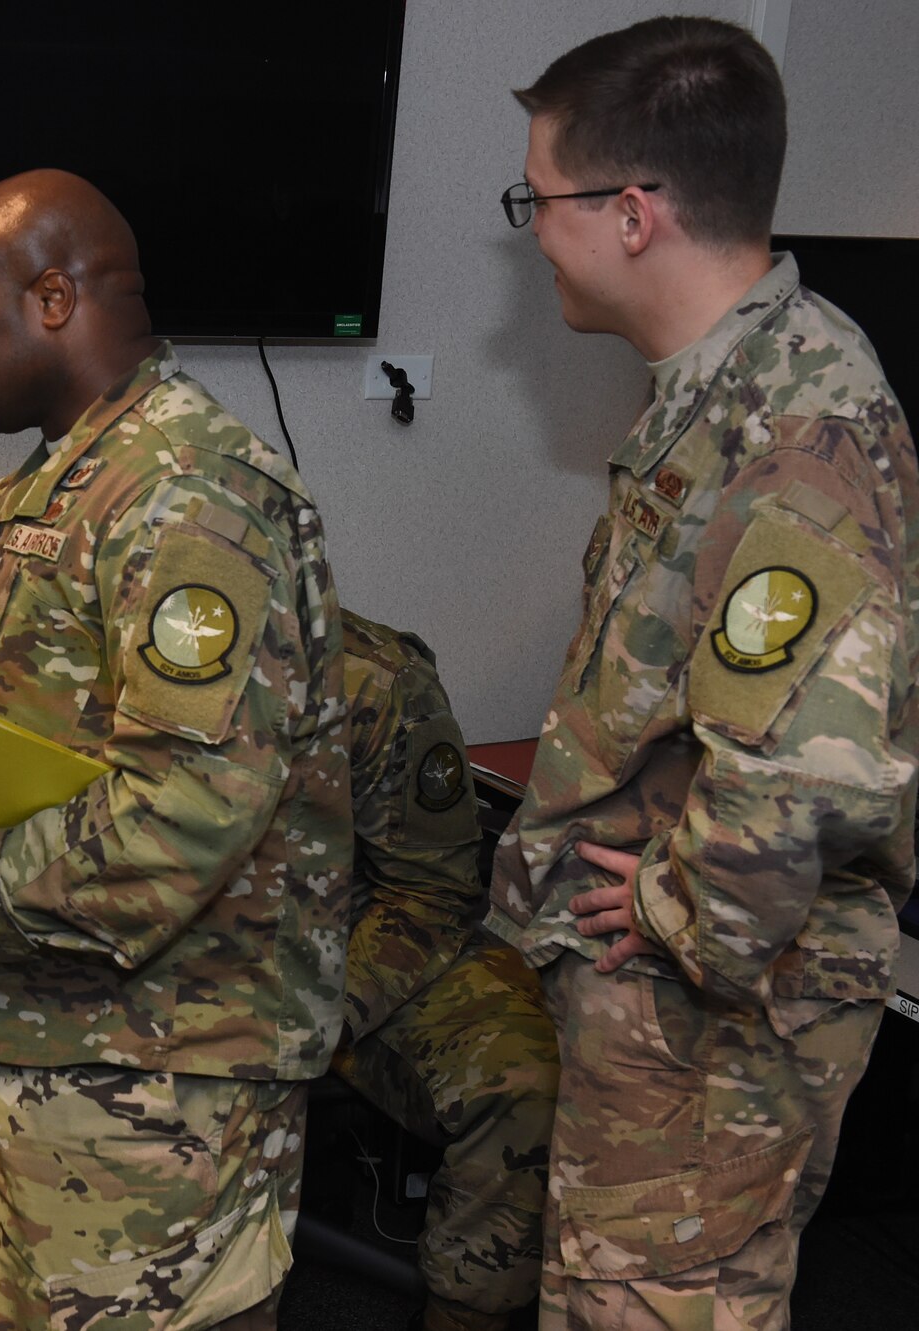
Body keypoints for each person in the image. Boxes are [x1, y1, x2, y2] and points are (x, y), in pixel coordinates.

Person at [0, 170, 351, 1331]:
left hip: (163, 1070)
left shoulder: (186, 489)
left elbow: (184, 810)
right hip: (71, 1036)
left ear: (55, 298)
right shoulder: (82, 474)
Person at [487, 18, 918, 1328]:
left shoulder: (802, 419)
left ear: (630, 212)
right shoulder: (719, 387)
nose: (531, 231)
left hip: (721, 1024)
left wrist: (685, 913)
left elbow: (809, 762)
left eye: (536, 199)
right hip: (672, 1015)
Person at [332, 610, 556, 1331]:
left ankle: (469, 1314)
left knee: (523, 1079)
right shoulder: (79, 652)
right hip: (170, 946)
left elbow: (429, 892)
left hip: (352, 944)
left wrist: (313, 1014)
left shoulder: (370, 678)